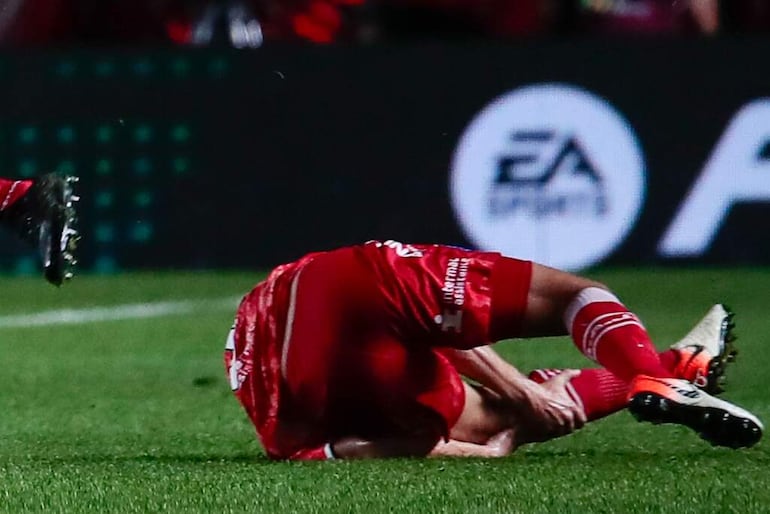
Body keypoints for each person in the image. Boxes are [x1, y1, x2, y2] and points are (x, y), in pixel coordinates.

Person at [224, 240, 763, 460]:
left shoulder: (286, 421)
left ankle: (674, 368)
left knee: (498, 419)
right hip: (344, 282)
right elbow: (438, 331)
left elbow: (349, 450)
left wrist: (483, 449)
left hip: (295, 399)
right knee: (576, 295)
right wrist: (523, 390)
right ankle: (658, 373)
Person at [0, 172, 79, 286]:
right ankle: (56, 261)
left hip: (25, 196)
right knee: (37, 234)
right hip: (20, 201)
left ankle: (56, 261)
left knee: (48, 225)